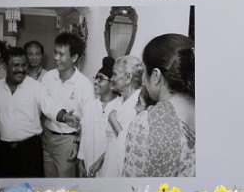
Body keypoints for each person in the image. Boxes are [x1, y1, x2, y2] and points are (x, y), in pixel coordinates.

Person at [123, 33, 194, 177]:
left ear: (155, 75)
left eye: (143, 71)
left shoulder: (145, 123)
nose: (142, 80)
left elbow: (132, 187)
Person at [39, 31, 94, 177]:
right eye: (55, 52)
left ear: (74, 57)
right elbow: (44, 104)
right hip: (47, 137)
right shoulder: (48, 78)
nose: (56, 58)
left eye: (61, 54)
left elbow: (87, 120)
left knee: (65, 188)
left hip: (67, 141)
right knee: (48, 186)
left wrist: (77, 143)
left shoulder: (84, 85)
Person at [0, 46, 44, 177]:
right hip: (4, 151)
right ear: (5, 66)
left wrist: (64, 116)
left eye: (24, 65)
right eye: (16, 65)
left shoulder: (36, 87)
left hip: (31, 149)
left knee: (33, 190)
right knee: (5, 190)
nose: (21, 69)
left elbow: (51, 107)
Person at [100, 54, 142, 177]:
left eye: (115, 74)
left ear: (128, 77)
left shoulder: (139, 103)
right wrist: (99, 161)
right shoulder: (117, 102)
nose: (111, 78)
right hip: (110, 161)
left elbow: (132, 143)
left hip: (125, 165)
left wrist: (114, 122)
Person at [77, 56, 117, 177]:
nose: (95, 81)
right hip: (89, 162)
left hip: (110, 164)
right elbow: (84, 136)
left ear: (111, 84)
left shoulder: (119, 106)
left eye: (101, 79)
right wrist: (80, 162)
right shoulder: (90, 106)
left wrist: (101, 161)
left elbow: (117, 142)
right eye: (95, 77)